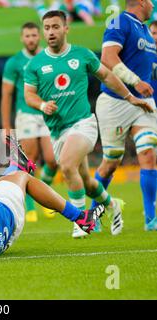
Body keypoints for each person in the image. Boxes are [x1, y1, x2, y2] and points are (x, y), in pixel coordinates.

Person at [23, 10, 153, 237]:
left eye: (55, 27)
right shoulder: (35, 64)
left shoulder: (82, 55)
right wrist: (43, 105)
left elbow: (108, 77)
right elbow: (29, 96)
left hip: (84, 124)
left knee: (66, 165)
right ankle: (112, 205)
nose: (50, 32)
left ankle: (81, 220)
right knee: (87, 181)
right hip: (57, 131)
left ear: (66, 28)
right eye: (47, 28)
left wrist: (129, 96)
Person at [92, 0, 157, 232]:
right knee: (111, 163)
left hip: (144, 105)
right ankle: (94, 213)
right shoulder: (119, 22)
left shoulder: (147, 32)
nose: (153, 5)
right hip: (115, 102)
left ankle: (151, 219)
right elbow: (108, 58)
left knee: (148, 153)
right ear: (141, 1)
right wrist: (135, 82)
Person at [1, 21, 58, 222]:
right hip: (25, 114)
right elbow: (6, 94)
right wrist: (6, 125)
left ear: (39, 36)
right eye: (27, 36)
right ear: (22, 38)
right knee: (29, 161)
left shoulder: (48, 57)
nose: (31, 39)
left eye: (34, 35)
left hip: (47, 113)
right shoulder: (14, 62)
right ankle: (31, 206)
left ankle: (43, 191)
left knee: (52, 159)